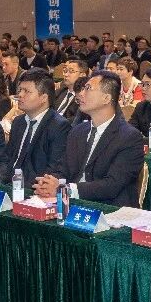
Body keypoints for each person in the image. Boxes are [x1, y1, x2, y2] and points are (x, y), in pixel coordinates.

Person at [35, 71, 144, 206]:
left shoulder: (129, 137)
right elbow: (63, 170)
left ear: (106, 98)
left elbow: (112, 185)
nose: (81, 93)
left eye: (88, 88)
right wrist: (49, 183)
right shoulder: (78, 131)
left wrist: (66, 189)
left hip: (110, 208)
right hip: (72, 202)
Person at [0, 69, 70, 189]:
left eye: (27, 91)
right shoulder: (18, 122)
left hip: (34, 189)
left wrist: (24, 189)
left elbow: (53, 169)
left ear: (44, 98)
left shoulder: (59, 126)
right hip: (8, 185)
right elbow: (7, 158)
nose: (20, 95)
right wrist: (1, 182)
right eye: (20, 90)